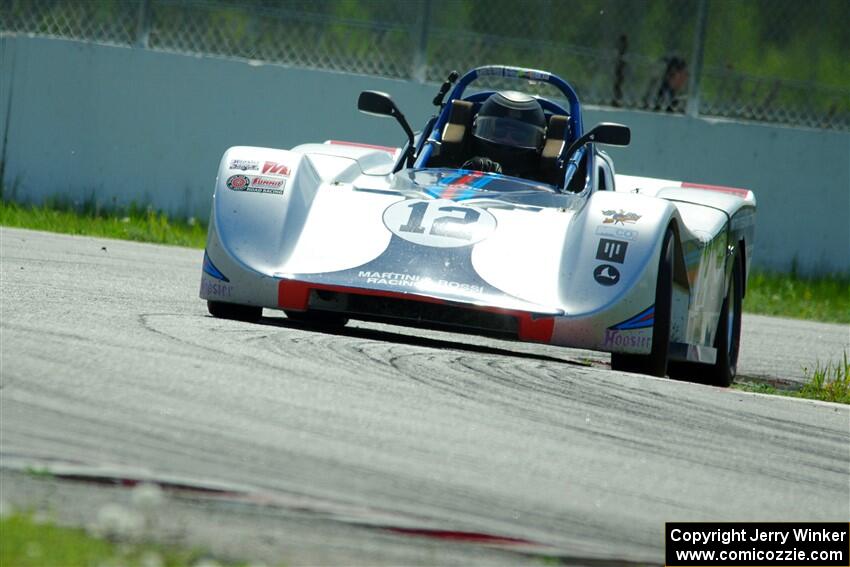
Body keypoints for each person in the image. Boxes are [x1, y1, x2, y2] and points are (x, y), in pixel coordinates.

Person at [461, 91, 547, 178]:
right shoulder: (457, 162)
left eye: (518, 135)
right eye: (499, 131)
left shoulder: (544, 182)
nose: (507, 139)